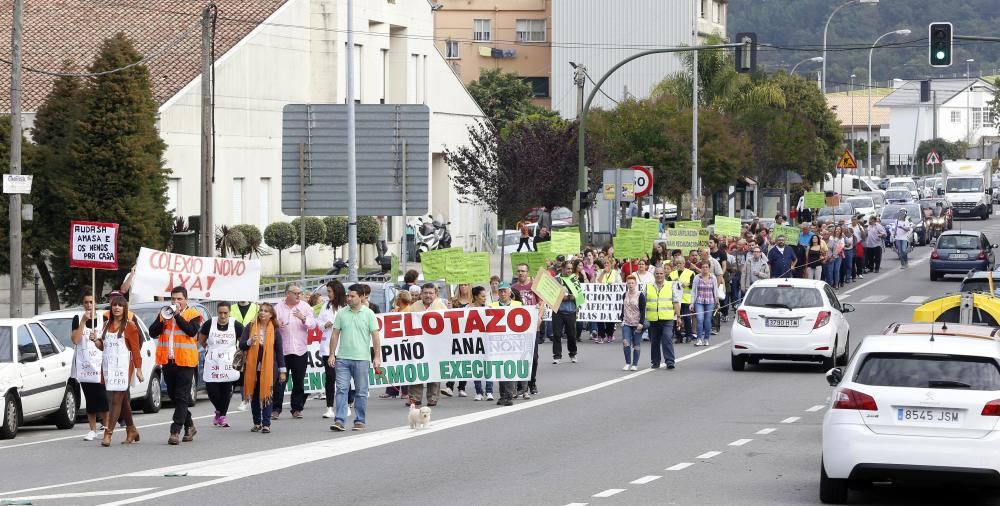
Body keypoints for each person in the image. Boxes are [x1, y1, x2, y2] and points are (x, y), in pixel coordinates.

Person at [149, 286, 203, 445]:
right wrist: (163, 321)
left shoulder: (194, 314)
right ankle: (190, 425)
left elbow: (191, 331)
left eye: (179, 299)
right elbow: (153, 332)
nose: (176, 302)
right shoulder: (165, 312)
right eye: (173, 299)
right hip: (168, 361)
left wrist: (178, 315)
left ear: (186, 299)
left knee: (182, 397)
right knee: (174, 396)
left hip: (186, 361)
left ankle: (175, 431)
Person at [327, 284, 382, 431]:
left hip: (362, 359)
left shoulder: (369, 314)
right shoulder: (342, 313)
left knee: (361, 391)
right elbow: (335, 334)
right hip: (343, 359)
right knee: (341, 389)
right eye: (348, 296)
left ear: (362, 296)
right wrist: (332, 353)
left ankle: (360, 420)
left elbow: (375, 337)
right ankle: (339, 420)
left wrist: (377, 357)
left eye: (352, 296)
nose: (348, 298)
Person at [97, 295, 143, 446]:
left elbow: (135, 350)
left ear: (125, 308)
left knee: (116, 398)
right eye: (114, 305)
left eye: (120, 305)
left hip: (123, 367)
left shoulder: (130, 326)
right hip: (109, 367)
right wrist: (96, 341)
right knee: (122, 400)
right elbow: (103, 347)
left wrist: (139, 369)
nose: (116, 308)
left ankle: (108, 433)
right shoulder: (105, 325)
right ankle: (131, 429)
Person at [240, 303, 286, 433]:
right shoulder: (250, 326)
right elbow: (242, 345)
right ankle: (257, 422)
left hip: (270, 368)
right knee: (254, 396)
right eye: (261, 310)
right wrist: (250, 342)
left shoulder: (275, 329)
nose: (262, 313)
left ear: (271, 315)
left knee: (267, 394)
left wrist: (282, 371)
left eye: (266, 311)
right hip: (252, 367)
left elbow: (279, 351)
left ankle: (266, 423)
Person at [273, 283, 316, 420]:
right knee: (280, 382)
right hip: (282, 351)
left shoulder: (305, 307)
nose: (299, 295)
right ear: (288, 294)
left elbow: (313, 324)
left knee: (298, 381)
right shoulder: (277, 308)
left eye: (300, 293)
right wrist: (277, 325)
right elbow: (270, 324)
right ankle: (275, 409)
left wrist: (303, 318)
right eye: (296, 293)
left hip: (299, 350)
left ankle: (297, 408)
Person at [198, 301, 244, 428]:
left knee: (227, 390)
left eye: (225, 313)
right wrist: (211, 350)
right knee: (212, 390)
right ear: (216, 312)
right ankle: (219, 410)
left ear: (229, 313)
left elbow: (243, 341)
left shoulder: (236, 325)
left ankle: (222, 416)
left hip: (229, 364)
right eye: (220, 313)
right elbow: (202, 339)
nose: (223, 316)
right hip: (213, 362)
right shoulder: (209, 324)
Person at [71, 290, 109, 442]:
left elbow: (108, 339)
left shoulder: (103, 318)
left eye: (91, 302)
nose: (88, 305)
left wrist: (97, 339)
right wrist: (82, 322)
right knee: (90, 397)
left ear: (96, 303)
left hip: (100, 363)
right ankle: (92, 429)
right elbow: (75, 339)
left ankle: (106, 427)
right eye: (86, 302)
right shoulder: (77, 319)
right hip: (85, 364)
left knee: (102, 396)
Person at [408, 283, 447, 407]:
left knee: (434, 370)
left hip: (435, 345)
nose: (428, 295)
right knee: (417, 369)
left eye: (431, 293)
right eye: (425, 293)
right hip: (418, 344)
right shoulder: (414, 306)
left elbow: (449, 324)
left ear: (436, 294)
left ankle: (433, 398)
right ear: (421, 294)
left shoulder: (441, 306)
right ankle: (415, 398)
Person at [316, 280, 348, 419]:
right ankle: (329, 408)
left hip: (343, 347)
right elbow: (319, 323)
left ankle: (345, 405)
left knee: (343, 378)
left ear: (337, 291)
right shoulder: (325, 306)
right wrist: (325, 325)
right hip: (328, 348)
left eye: (330, 291)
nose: (327, 294)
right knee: (330, 377)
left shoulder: (346, 306)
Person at [489, 282, 522, 406]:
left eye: (505, 291)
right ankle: (503, 395)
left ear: (510, 292)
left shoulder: (517, 305)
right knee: (500, 368)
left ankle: (508, 396)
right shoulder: (492, 306)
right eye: (500, 291)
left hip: (513, 341)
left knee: (509, 368)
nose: (503, 293)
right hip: (497, 342)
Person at [511, 263, 540, 397]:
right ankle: (519, 385)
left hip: (533, 327)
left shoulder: (534, 285)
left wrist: (539, 318)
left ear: (528, 272)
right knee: (519, 356)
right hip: (518, 328)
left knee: (533, 357)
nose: (521, 273)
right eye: (519, 271)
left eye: (523, 271)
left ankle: (531, 383)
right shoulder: (513, 288)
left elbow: (542, 303)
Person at [645, 266, 682, 369]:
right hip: (653, 319)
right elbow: (643, 302)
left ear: (664, 274)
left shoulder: (670, 285)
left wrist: (678, 317)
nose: (659, 275)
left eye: (661, 273)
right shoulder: (648, 286)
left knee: (667, 338)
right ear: (654, 275)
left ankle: (670, 361)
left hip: (667, 318)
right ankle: (655, 362)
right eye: (657, 273)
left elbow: (675, 302)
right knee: (654, 341)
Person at [442, 285, 473, 398]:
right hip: (454, 334)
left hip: (468, 334)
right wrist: (449, 308)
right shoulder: (454, 301)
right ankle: (449, 386)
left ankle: (462, 387)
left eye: (466, 285)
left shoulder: (473, 301)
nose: (463, 287)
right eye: (461, 285)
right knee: (453, 360)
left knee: (464, 361)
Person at [552, 261, 584, 364]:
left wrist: (572, 298)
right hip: (558, 311)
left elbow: (578, 295)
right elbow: (554, 294)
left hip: (571, 311)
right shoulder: (556, 279)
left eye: (571, 268)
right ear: (562, 268)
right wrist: (565, 297)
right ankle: (557, 356)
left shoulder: (574, 279)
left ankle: (573, 354)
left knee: (571, 334)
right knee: (557, 334)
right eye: (568, 268)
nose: (569, 270)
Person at [229, 300, 258, 412]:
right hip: (236, 346)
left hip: (252, 344)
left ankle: (249, 398)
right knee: (239, 374)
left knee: (250, 373)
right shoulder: (231, 309)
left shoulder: (257, 308)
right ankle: (244, 399)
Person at [619, 274, 646, 371]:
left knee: (636, 344)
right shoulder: (624, 294)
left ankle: (635, 364)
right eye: (629, 283)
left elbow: (643, 310)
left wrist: (641, 323)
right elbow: (623, 306)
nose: (630, 285)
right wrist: (621, 316)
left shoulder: (640, 295)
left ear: (636, 284)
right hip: (626, 322)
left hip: (637, 323)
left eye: (632, 283)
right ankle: (627, 363)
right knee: (626, 342)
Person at [690, 264, 719, 347]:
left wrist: (717, 302)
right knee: (699, 319)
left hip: (710, 301)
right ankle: (699, 339)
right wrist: (692, 303)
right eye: (703, 267)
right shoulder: (697, 277)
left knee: (707, 320)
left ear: (709, 268)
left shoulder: (713, 277)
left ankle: (706, 339)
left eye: (706, 267)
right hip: (699, 301)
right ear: (701, 268)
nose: (705, 269)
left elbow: (715, 290)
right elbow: (693, 291)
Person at [669, 258, 695, 344]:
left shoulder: (690, 273)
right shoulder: (672, 274)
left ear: (684, 263)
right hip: (675, 300)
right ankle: (678, 336)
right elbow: (667, 285)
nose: (679, 265)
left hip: (686, 299)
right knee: (676, 318)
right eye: (677, 263)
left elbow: (694, 285)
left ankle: (688, 335)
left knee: (687, 318)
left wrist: (688, 284)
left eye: (680, 263)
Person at [595, 259, 620, 343]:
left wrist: (612, 285)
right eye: (604, 263)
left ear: (611, 264)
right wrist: (603, 273)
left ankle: (610, 334)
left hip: (611, 299)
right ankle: (601, 335)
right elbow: (597, 282)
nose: (606, 264)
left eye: (607, 263)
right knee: (600, 317)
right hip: (601, 298)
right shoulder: (600, 271)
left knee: (610, 317)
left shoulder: (615, 273)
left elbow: (619, 283)